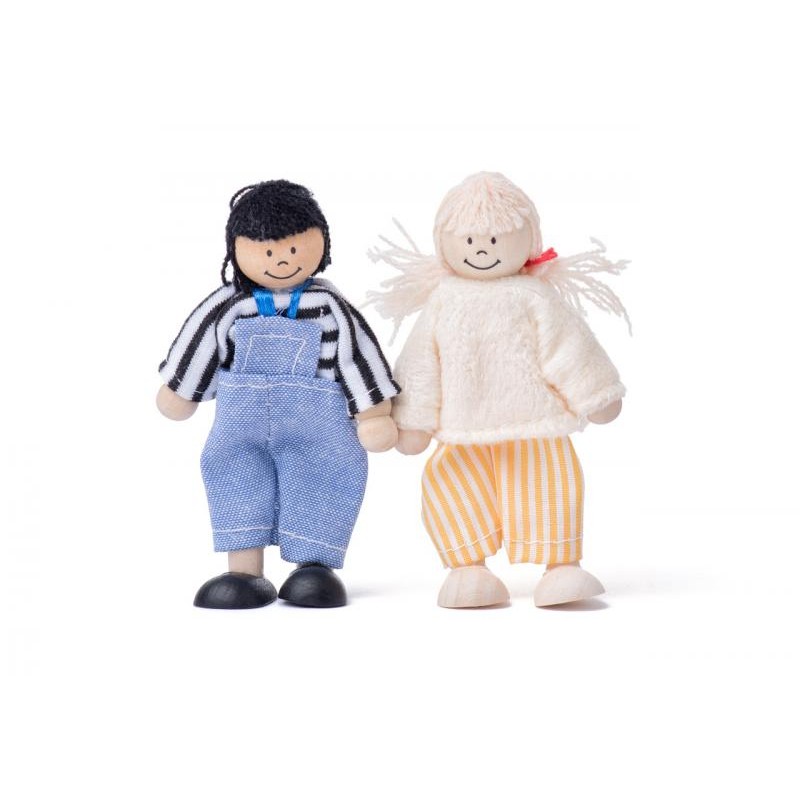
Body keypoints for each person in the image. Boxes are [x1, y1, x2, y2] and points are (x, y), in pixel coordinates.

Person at [368, 172, 628, 608]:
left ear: (528, 239)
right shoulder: (443, 300)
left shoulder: (533, 296)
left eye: (494, 239)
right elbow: (421, 364)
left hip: (535, 421)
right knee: (452, 488)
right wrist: (413, 419)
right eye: (470, 240)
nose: (482, 249)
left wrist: (595, 391)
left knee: (549, 484)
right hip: (461, 426)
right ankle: (468, 569)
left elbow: (568, 347)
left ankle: (561, 567)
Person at [157, 180, 399, 609]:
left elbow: (357, 356)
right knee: (234, 475)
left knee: (325, 476)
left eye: (291, 248)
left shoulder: (328, 305)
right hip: (241, 423)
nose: (283, 260)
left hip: (318, 422)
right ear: (236, 250)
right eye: (268, 252)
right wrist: (182, 389)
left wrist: (373, 413)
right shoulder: (230, 305)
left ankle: (313, 567)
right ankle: (244, 572)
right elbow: (200, 343)